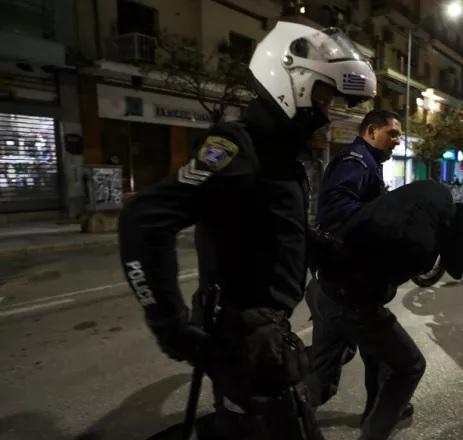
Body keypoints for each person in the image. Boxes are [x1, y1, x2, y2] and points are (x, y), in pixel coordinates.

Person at [118, 21, 376, 439]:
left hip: (265, 335)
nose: (327, 112)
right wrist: (171, 325)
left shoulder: (280, 157)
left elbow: (279, 229)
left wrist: (335, 252)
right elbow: (143, 220)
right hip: (244, 338)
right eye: (322, 97)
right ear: (292, 83)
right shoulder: (238, 149)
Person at [305, 110, 425, 440]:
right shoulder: (356, 162)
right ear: (371, 131)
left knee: (337, 367)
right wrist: (389, 223)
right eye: (392, 133)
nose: (397, 140)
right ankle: (285, 415)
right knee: (398, 361)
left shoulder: (367, 163)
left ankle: (288, 414)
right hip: (346, 289)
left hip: (333, 285)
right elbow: (338, 211)